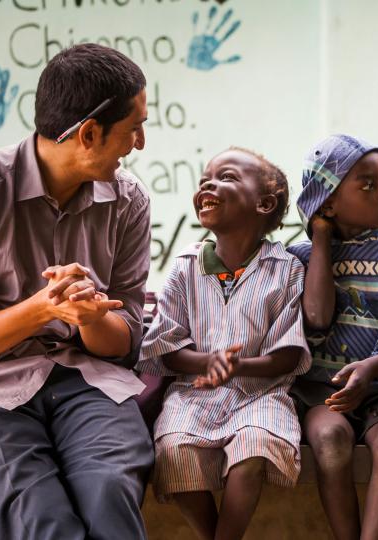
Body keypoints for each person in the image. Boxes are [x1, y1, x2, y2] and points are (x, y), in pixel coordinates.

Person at [0, 43, 153, 539]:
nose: (140, 143)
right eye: (133, 128)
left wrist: (90, 320)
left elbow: (124, 342)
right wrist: (41, 310)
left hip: (85, 381)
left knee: (109, 496)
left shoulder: (128, 202)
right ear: (88, 134)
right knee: (39, 523)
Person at [137, 148, 312, 540]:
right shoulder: (184, 267)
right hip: (193, 395)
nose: (208, 186)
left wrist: (238, 367)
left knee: (254, 448)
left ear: (264, 204)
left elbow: (287, 352)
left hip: (261, 394)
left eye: (227, 177)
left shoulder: (285, 269)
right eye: (204, 181)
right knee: (173, 450)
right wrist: (206, 362)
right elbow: (164, 345)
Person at [287, 134, 378, 540]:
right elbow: (315, 319)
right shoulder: (300, 257)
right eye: (368, 184)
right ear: (328, 203)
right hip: (322, 389)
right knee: (330, 440)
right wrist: (320, 239)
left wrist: (372, 367)